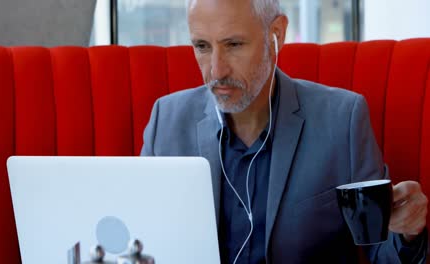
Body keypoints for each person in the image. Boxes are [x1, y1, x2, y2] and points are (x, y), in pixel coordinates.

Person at [140, 0, 428, 263]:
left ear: (276, 34)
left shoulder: (342, 119)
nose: (216, 71)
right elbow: (142, 238)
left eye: (234, 45)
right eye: (202, 46)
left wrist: (408, 233)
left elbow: (383, 252)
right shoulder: (166, 121)